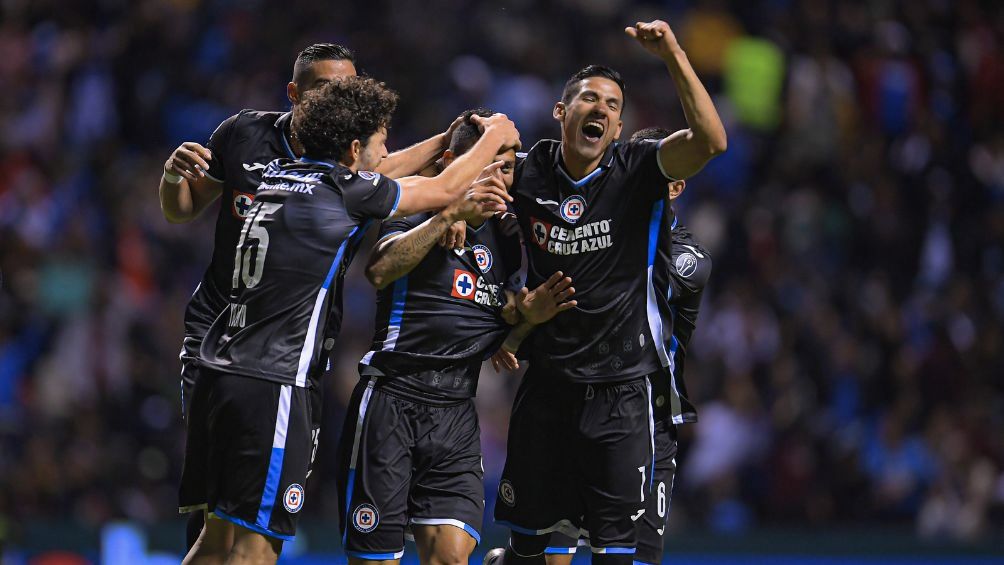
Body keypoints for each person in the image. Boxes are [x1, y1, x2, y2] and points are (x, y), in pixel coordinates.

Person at [178, 77, 520, 565]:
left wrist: (448, 139)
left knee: (215, 541)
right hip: (273, 381)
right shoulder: (346, 193)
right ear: (355, 148)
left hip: (219, 369)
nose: (387, 152)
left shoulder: (277, 173)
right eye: (381, 141)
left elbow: (393, 173)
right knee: (257, 548)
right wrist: (494, 134)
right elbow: (441, 186)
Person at [486, 19, 726, 565]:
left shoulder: (639, 171)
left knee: (617, 555)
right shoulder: (526, 174)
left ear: (619, 127)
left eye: (614, 105)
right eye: (589, 99)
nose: (601, 110)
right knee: (528, 551)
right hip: (547, 389)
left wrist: (671, 52)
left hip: (623, 394)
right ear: (560, 112)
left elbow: (712, 141)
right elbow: (466, 187)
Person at [336, 108, 577, 565]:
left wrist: (524, 318)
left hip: (456, 412)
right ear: (454, 162)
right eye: (490, 161)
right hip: (392, 398)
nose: (503, 175)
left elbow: (500, 315)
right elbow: (380, 269)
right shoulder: (421, 202)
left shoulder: (508, 236)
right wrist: (448, 215)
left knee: (449, 556)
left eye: (509, 164)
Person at [524, 127, 712, 565]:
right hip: (574, 399)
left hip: (648, 409)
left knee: (637, 556)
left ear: (676, 185)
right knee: (555, 548)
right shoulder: (590, 235)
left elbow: (613, 287)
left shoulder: (688, 257)